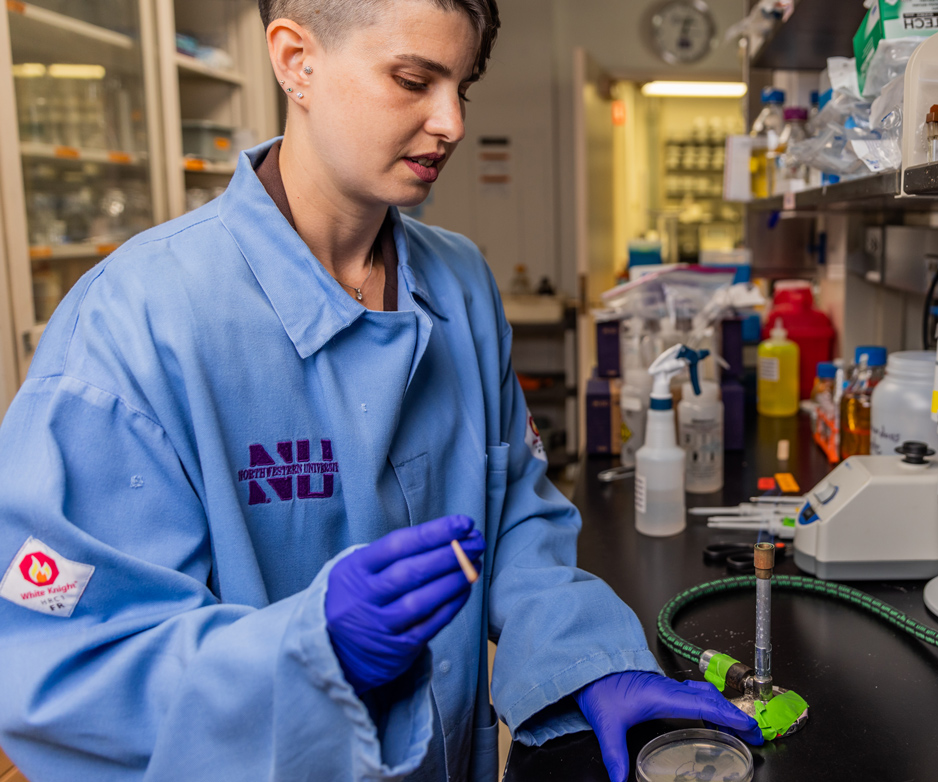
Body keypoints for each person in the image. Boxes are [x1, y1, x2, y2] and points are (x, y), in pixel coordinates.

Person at [0, 1, 760, 780]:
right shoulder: (134, 323)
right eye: (412, 79)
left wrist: (589, 659)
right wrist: (309, 653)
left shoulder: (459, 280)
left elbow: (518, 522)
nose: (451, 121)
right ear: (296, 60)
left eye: (462, 85)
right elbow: (64, 671)